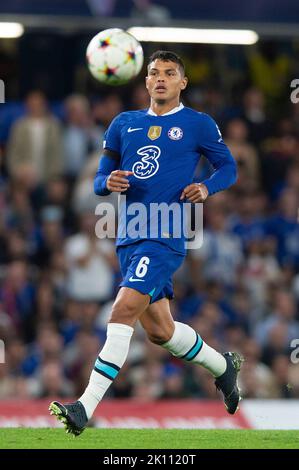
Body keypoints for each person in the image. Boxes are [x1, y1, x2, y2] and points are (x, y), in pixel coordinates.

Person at [49, 50, 242, 435]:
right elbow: (100, 177)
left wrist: (207, 186)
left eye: (169, 73)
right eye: (154, 72)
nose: (160, 78)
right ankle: (224, 368)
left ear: (182, 83)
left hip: (165, 235)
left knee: (120, 313)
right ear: (145, 81)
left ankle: (84, 407)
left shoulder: (198, 124)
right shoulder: (125, 123)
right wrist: (109, 182)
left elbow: (229, 167)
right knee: (161, 333)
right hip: (128, 236)